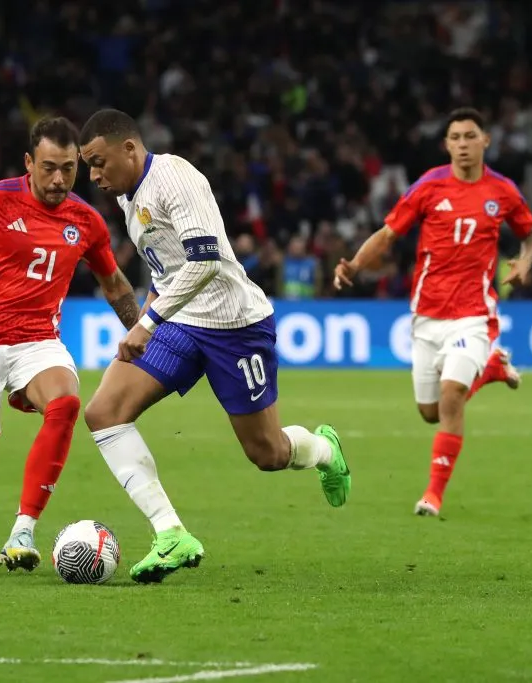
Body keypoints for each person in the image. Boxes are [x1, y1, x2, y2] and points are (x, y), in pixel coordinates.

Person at [78, 108, 351, 584]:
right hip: (180, 323)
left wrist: (147, 324)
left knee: (267, 453)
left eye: (99, 162)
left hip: (235, 326)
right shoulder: (128, 196)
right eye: (89, 166)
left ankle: (324, 450)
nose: (94, 175)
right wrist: (150, 317)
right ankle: (171, 534)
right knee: (103, 412)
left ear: (129, 147)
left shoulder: (176, 179)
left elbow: (204, 261)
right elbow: (166, 269)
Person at [0, 116, 140, 570]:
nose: (59, 180)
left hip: (37, 340)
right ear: (28, 162)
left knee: (66, 404)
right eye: (49, 167)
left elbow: (114, 282)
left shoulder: (86, 220)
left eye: (69, 169)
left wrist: (139, 331)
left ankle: (23, 530)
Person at [334, 107, 532, 517]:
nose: (463, 144)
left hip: (474, 314)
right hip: (427, 316)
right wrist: (355, 265)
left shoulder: (502, 191)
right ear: (446, 144)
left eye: (470, 136)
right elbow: (389, 234)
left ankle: (433, 494)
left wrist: (525, 262)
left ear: (486, 141)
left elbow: (531, 235)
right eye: (455, 138)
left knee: (451, 397)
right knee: (430, 413)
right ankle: (493, 369)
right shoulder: (429, 186)